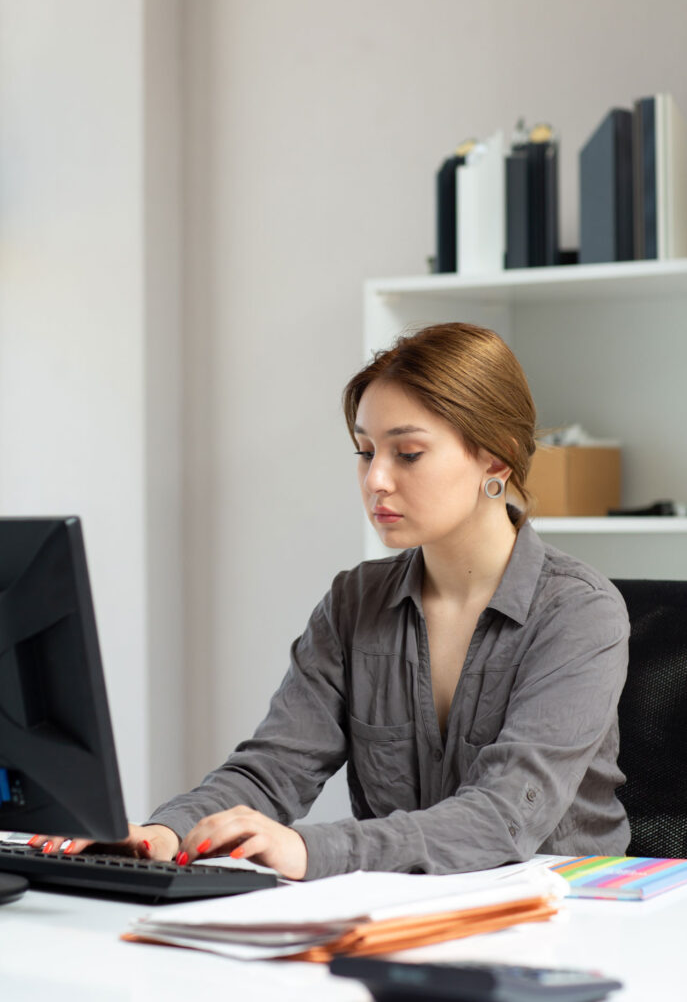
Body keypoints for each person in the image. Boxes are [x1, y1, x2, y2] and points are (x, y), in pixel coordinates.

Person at [30, 322, 631, 880]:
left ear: (494, 456)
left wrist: (308, 849)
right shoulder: (354, 602)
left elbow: (502, 816)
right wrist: (165, 833)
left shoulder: (580, 613)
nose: (376, 480)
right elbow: (274, 768)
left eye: (408, 453)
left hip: (570, 917)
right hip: (403, 910)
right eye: (366, 452)